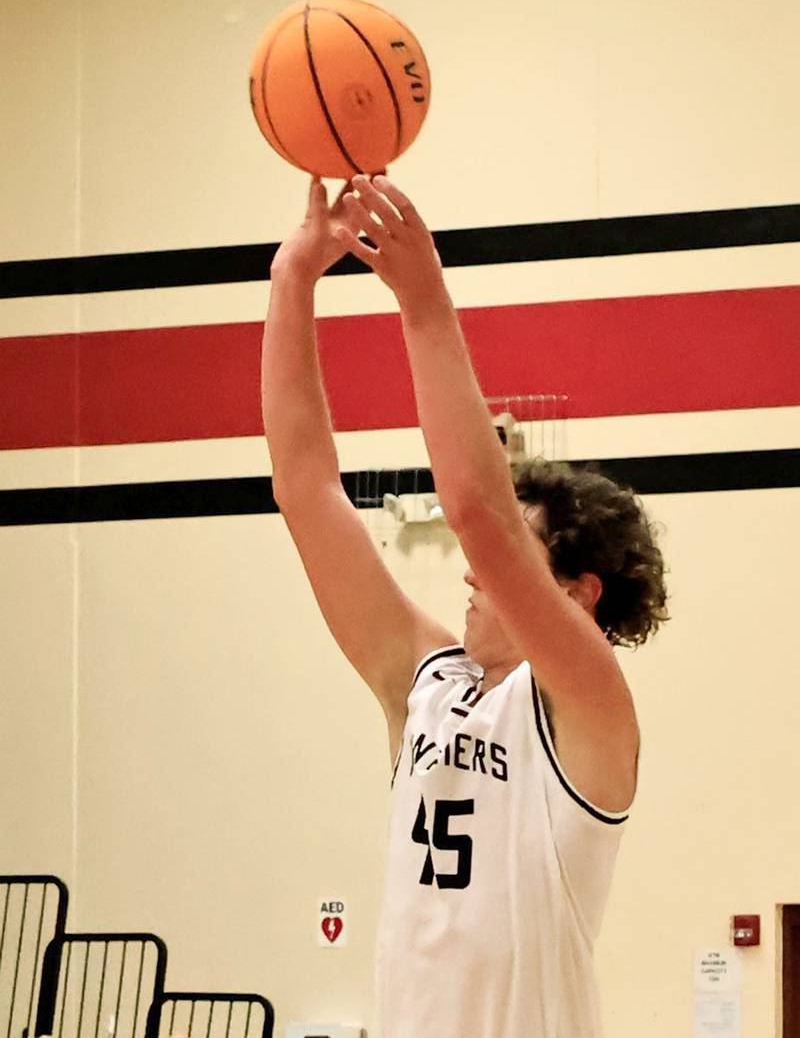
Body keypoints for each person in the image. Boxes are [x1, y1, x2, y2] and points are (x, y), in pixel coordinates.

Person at [261, 175, 668, 1038]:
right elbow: (305, 490)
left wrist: (424, 302)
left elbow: (479, 517)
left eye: (520, 558)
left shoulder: (588, 707)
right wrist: (292, 280)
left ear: (577, 593)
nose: (477, 576)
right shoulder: (427, 682)